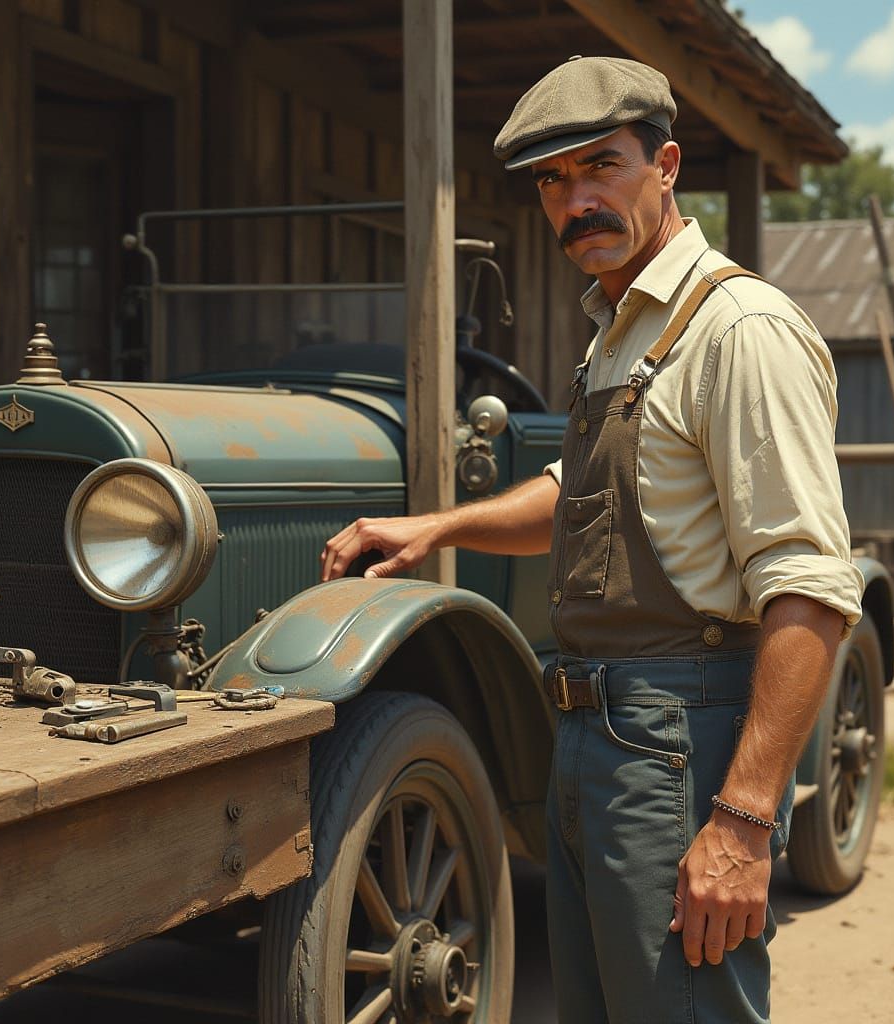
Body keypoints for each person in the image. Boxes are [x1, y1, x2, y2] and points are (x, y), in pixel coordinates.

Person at [321, 56, 863, 1024]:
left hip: (680, 737)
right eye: (552, 181)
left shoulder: (738, 328)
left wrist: (740, 822)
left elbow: (811, 590)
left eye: (599, 166)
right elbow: (591, 493)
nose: (577, 200)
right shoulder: (622, 323)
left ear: (665, 165)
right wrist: (440, 524)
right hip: (589, 730)